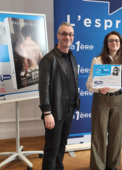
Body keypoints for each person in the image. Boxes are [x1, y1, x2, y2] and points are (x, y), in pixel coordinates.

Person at [86, 31, 122, 170]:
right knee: (99, 134)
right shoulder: (97, 60)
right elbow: (89, 84)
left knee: (116, 134)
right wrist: (98, 90)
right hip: (101, 99)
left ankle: (112, 165)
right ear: (106, 44)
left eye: (117, 41)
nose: (114, 43)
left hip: (118, 99)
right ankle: (98, 166)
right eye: (111, 41)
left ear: (120, 44)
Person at [38, 22, 80, 170]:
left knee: (62, 144)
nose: (67, 37)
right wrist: (47, 113)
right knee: (52, 148)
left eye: (70, 34)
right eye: (64, 33)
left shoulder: (72, 57)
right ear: (58, 35)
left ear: (73, 37)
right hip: (54, 112)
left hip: (69, 110)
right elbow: (43, 88)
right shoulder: (48, 59)